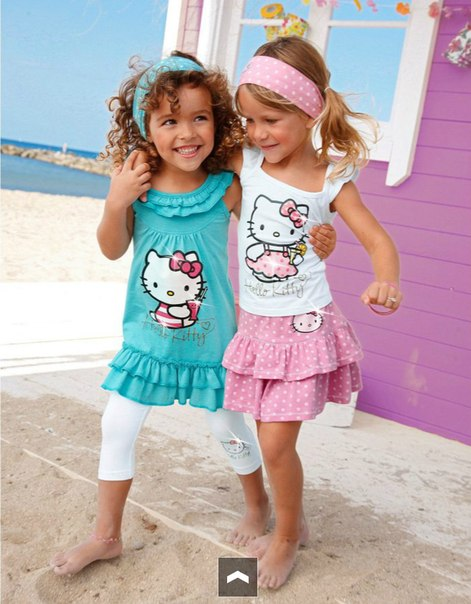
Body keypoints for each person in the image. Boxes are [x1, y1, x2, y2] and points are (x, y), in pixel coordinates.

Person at [50, 51, 336, 576]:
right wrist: (115, 202)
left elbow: (276, 230)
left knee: (229, 429)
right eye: (169, 121)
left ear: (217, 120)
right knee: (117, 426)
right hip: (147, 344)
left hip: (216, 345)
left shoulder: (227, 187)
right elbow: (112, 250)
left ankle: (258, 505)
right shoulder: (135, 187)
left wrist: (319, 238)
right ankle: (105, 536)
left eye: (199, 117)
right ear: (146, 129)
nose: (187, 132)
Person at [221, 36, 403, 590]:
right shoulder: (246, 161)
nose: (257, 133)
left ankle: (285, 538)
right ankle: (290, 522)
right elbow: (189, 145)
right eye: (249, 120)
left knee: (277, 444)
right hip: (255, 327)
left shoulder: (331, 180)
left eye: (270, 120)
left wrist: (385, 280)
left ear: (310, 112)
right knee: (264, 438)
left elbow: (378, 241)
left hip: (304, 329)